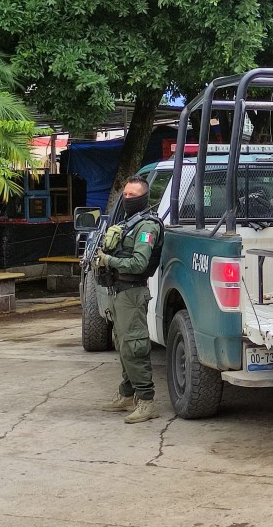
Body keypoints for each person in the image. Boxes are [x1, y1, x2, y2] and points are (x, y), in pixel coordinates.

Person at [95, 175, 163, 424]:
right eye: (125, 194)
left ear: (144, 198)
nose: (126, 199)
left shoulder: (147, 227)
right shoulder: (130, 222)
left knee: (135, 346)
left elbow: (138, 263)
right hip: (118, 291)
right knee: (123, 345)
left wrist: (108, 260)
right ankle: (127, 393)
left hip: (132, 293)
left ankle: (147, 402)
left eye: (132, 196)